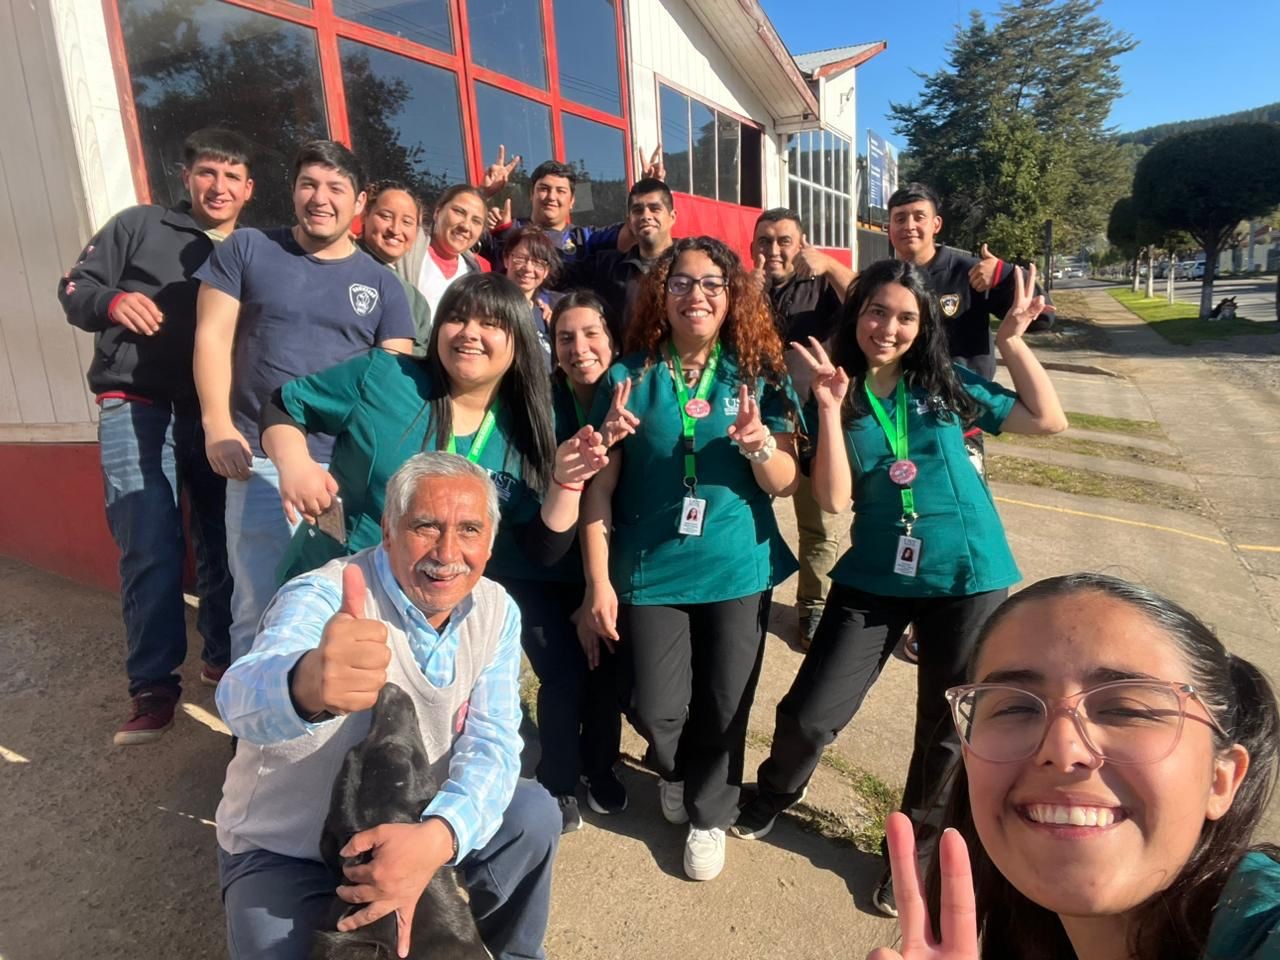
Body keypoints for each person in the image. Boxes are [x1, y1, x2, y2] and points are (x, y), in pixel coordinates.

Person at [732, 258, 1067, 918]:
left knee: (944, 731)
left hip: (968, 575)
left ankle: (911, 850)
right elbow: (831, 499)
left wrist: (1012, 344)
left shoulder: (948, 384)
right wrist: (828, 409)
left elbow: (1045, 420)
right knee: (809, 709)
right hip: (877, 574)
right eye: (877, 312)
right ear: (856, 315)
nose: (888, 327)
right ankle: (773, 792)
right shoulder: (834, 389)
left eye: (906, 317)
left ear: (922, 327)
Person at [214, 452, 560, 960]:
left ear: (490, 540)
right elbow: (238, 696)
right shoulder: (323, 595)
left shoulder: (496, 609)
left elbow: (494, 742)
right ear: (388, 530)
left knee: (533, 815)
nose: (447, 552)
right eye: (426, 526)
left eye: (469, 529)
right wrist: (305, 684)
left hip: (414, 816)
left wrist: (439, 837)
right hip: (293, 846)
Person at [868, 573, 1280, 960]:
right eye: (1014, 706)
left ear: (1221, 780)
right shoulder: (1025, 927)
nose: (1062, 749)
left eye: (1124, 709)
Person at [581, 236, 801, 882]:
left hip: (737, 565)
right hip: (650, 568)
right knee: (657, 705)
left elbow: (785, 481)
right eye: (682, 282)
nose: (696, 294)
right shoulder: (629, 377)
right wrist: (598, 583)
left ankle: (710, 813)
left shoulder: (757, 374)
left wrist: (761, 446)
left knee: (726, 701)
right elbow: (599, 489)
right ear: (661, 292)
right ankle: (675, 767)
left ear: (732, 296)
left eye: (711, 283)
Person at [57, 128, 254, 745]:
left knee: (225, 544)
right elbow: (74, 289)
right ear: (187, 176)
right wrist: (112, 302)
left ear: (248, 189)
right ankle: (153, 686)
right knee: (149, 543)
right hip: (136, 406)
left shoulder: (254, 249)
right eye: (207, 173)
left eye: (231, 176)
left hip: (215, 413)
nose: (218, 187)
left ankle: (221, 657)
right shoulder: (139, 225)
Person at [193, 139, 415, 663]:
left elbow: (389, 385)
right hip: (259, 461)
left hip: (343, 474)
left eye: (336, 188)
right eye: (309, 184)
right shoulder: (246, 249)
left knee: (343, 601)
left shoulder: (383, 286)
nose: (321, 198)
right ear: (292, 191)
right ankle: (255, 735)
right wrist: (217, 425)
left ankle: (325, 724)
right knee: (258, 602)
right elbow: (211, 338)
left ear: (358, 203)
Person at [257, 272, 605, 585]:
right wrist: (295, 464)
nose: (469, 332)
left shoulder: (526, 424)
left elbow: (539, 549)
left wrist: (566, 481)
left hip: (432, 610)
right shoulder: (384, 376)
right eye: (456, 318)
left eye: (490, 323)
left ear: (518, 342)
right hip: (334, 582)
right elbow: (283, 406)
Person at [501, 290, 633, 832]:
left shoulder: (629, 394)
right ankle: (557, 780)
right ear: (552, 349)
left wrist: (592, 591)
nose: (579, 348)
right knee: (561, 674)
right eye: (565, 338)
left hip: (601, 564)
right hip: (537, 564)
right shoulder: (537, 400)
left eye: (591, 334)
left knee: (605, 672)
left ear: (613, 339)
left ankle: (600, 766)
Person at [751, 207, 856, 649]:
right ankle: (747, 597)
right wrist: (747, 293)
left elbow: (869, 301)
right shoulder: (747, 286)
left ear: (802, 243)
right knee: (749, 515)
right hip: (756, 422)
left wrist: (831, 264)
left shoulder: (822, 285)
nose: (773, 250)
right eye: (765, 241)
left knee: (819, 525)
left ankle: (812, 607)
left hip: (812, 421)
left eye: (784, 241)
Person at [561, 177, 678, 340]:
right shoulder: (607, 266)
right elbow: (552, 274)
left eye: (654, 208)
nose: (646, 216)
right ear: (629, 222)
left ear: (672, 217)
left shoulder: (690, 263)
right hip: (625, 363)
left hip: (679, 362)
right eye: (638, 210)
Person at [392, 183, 489, 326]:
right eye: (459, 212)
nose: (465, 226)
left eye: (476, 221)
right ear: (437, 213)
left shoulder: (477, 273)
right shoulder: (405, 248)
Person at [355, 179, 432, 354]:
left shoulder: (416, 300)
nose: (395, 229)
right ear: (364, 215)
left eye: (407, 222)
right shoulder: (340, 262)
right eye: (386, 217)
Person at [502, 225, 563, 369]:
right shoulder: (489, 308)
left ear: (546, 271)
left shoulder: (546, 317)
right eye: (520, 258)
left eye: (538, 263)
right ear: (506, 260)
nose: (528, 268)